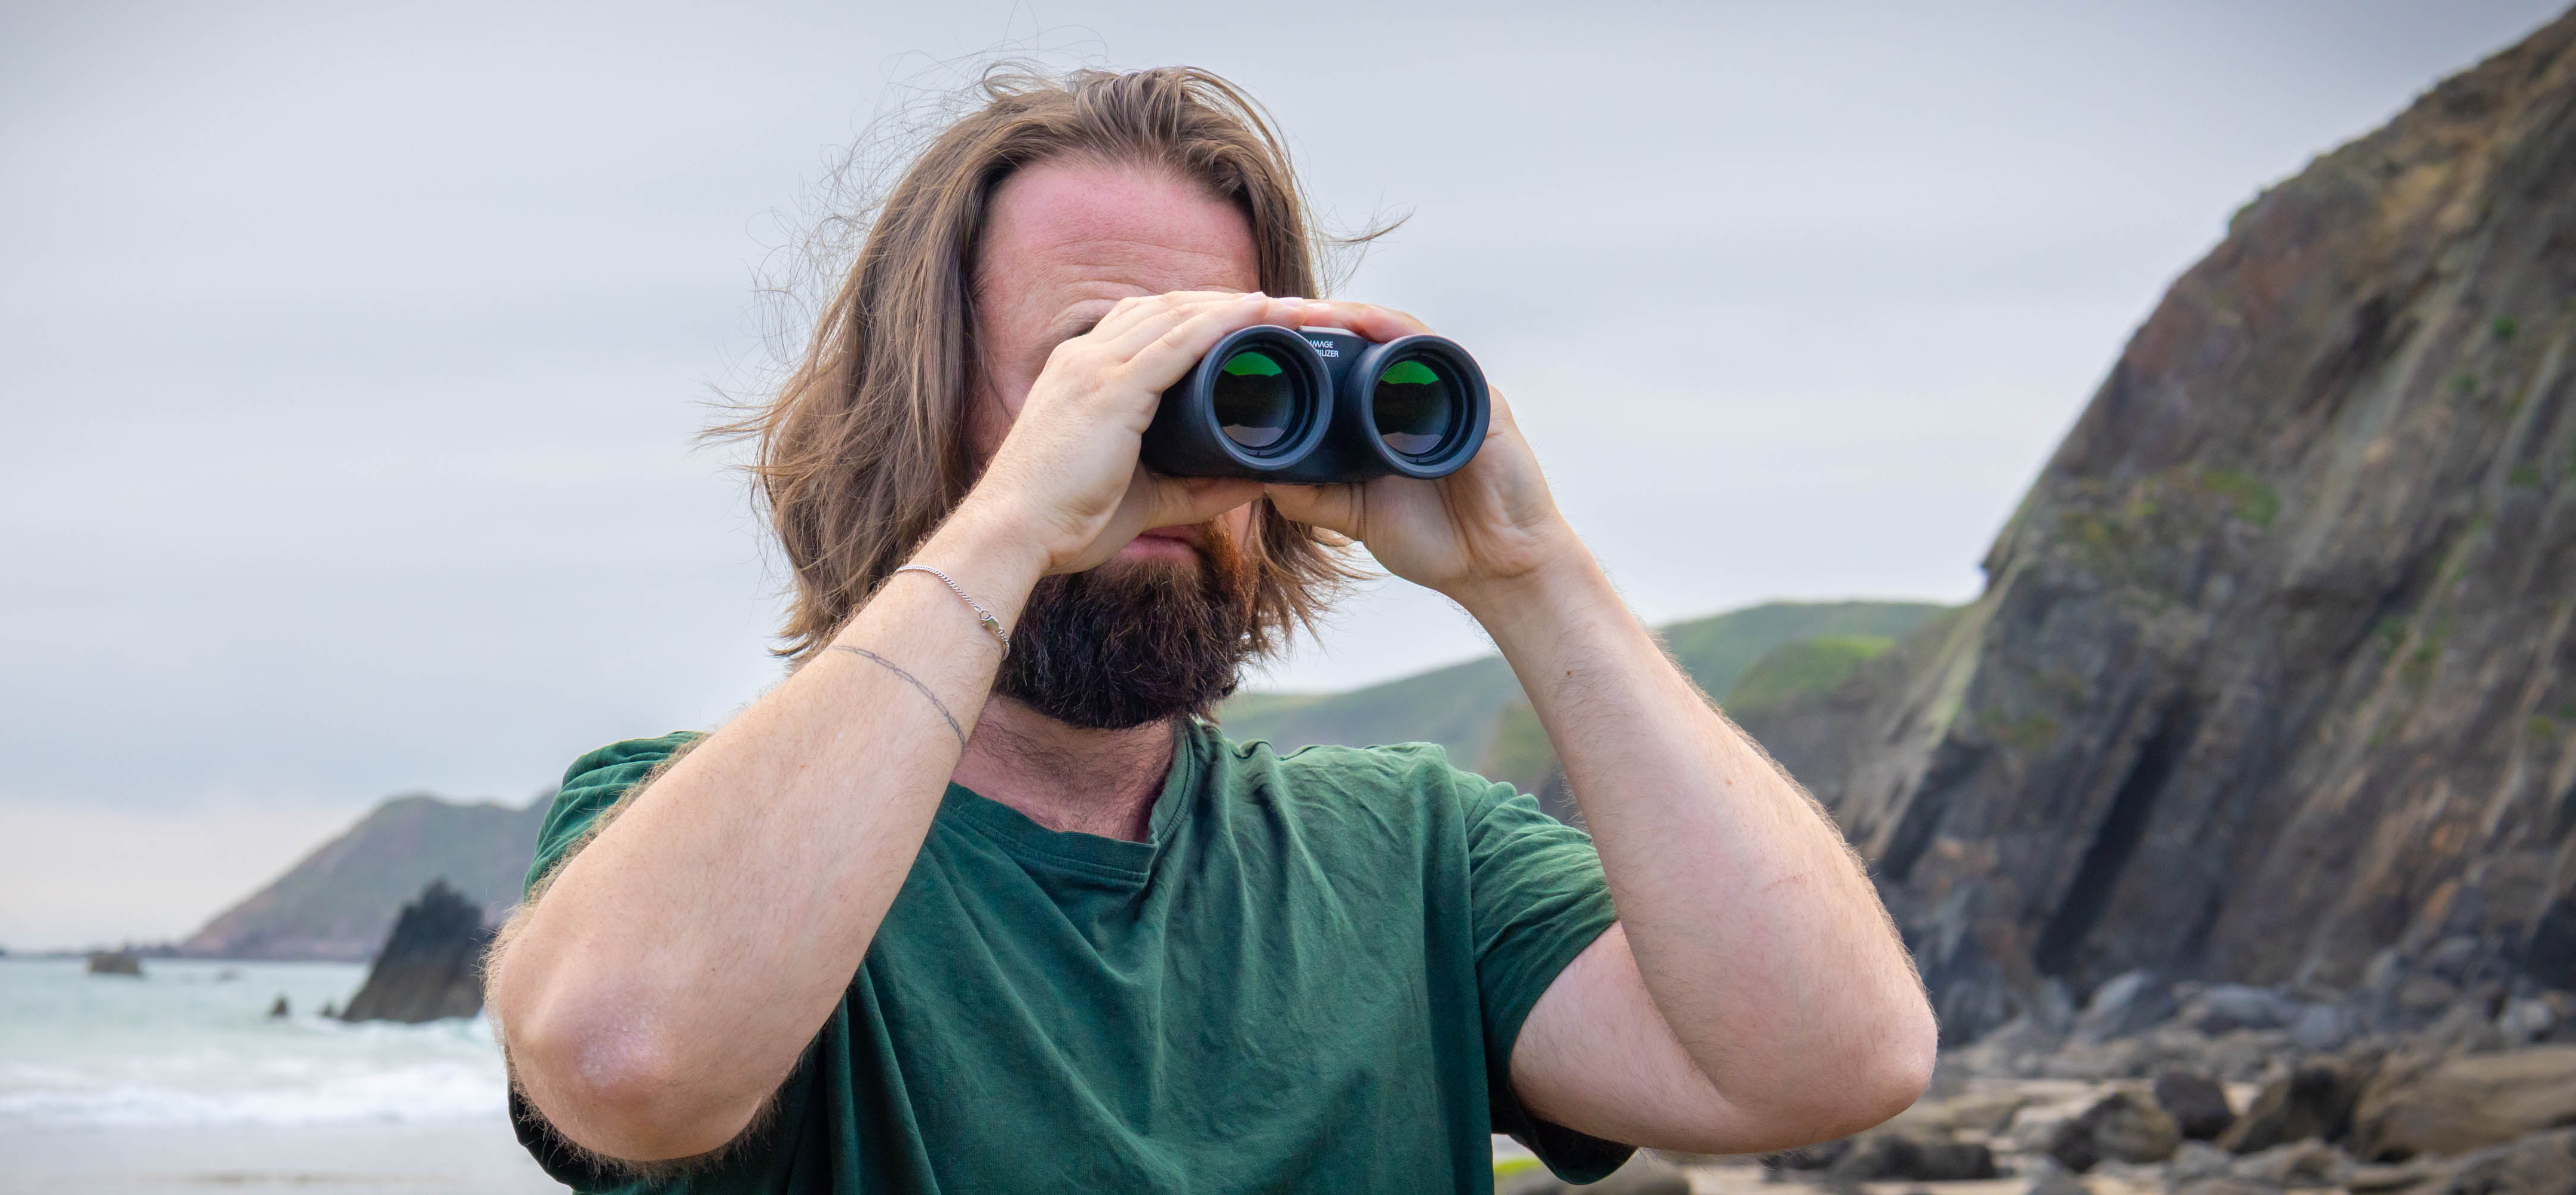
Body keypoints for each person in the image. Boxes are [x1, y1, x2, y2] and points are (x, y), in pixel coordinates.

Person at [486, 66, 1936, 1194]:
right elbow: (629, 1060)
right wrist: (1009, 519)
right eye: (1100, 368)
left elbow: (1830, 1062)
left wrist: (1527, 566)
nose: (1176, 444)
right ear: (920, 413)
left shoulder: (1419, 861)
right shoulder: (688, 832)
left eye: (1226, 379)